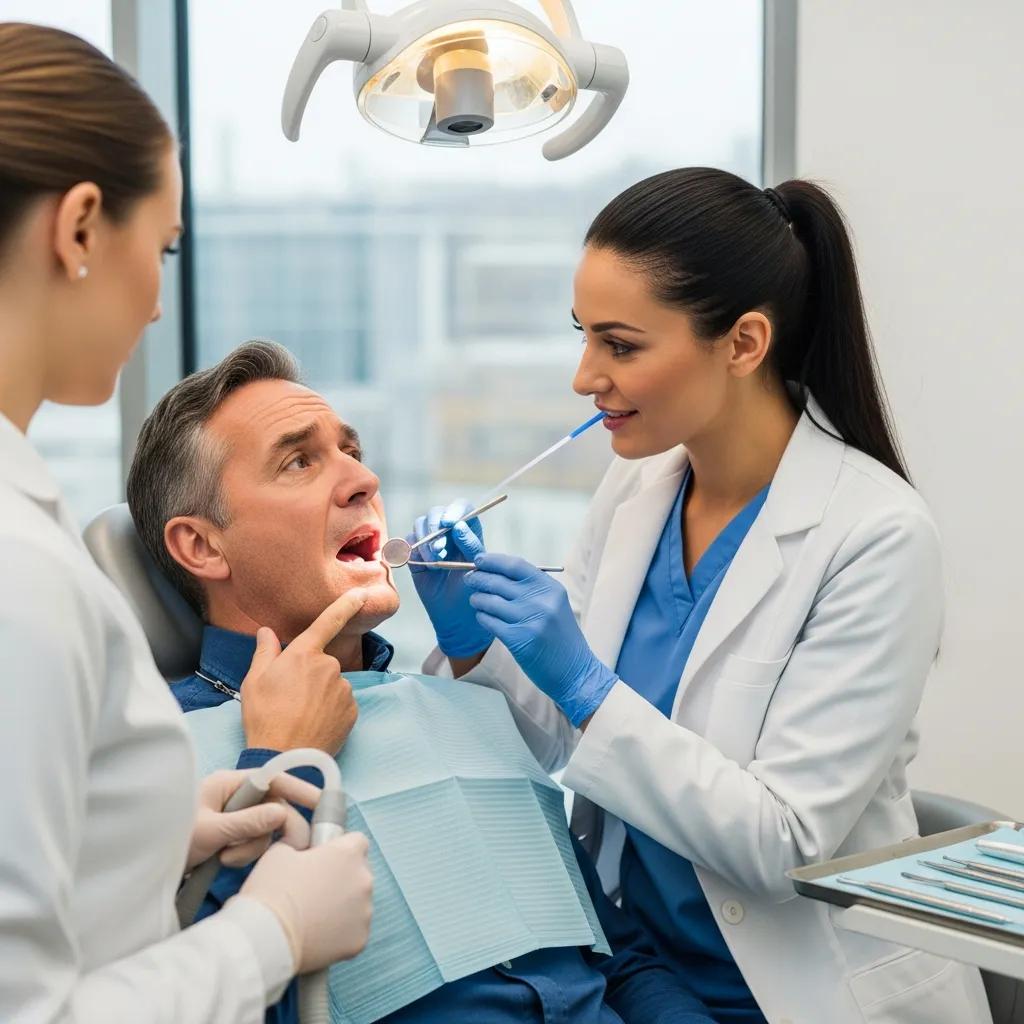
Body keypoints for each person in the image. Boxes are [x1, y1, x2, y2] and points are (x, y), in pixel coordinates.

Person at [408, 168, 992, 1024]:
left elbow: (781, 844)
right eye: (583, 336)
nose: (584, 377)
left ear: (744, 343)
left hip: (798, 994)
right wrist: (474, 647)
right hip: (643, 969)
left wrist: (588, 686)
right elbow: (555, 740)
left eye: (620, 345)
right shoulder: (635, 488)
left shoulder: (878, 537)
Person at [125, 338, 716, 1024]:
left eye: (351, 451)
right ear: (201, 545)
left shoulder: (466, 707)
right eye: (298, 461)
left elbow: (619, 960)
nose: (362, 479)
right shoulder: (153, 761)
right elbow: (201, 995)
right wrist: (280, 762)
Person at [0, 23, 374, 1022]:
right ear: (81, 228)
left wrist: (157, 840)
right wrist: (272, 934)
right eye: (163, 248)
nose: (161, 305)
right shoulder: (16, 573)